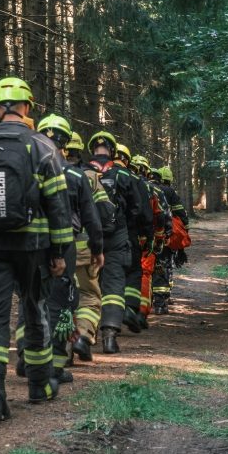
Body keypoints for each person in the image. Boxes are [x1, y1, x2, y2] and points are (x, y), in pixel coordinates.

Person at [0, 78, 72, 422]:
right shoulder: (43, 146)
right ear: (27, 108)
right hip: (32, 246)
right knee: (35, 310)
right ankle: (39, 385)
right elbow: (58, 205)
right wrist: (59, 253)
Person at [14, 115, 103, 384]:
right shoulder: (75, 174)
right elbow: (91, 217)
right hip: (64, 245)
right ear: (65, 143)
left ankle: (25, 355)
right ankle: (53, 365)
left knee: (28, 298)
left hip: (28, 243)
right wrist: (97, 248)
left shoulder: (27, 170)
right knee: (59, 303)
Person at [86, 132, 143, 354]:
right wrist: (120, 223)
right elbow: (136, 208)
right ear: (112, 151)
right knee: (114, 284)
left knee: (86, 285)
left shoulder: (81, 171)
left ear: (92, 149)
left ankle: (85, 335)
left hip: (86, 237)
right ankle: (109, 337)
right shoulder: (124, 174)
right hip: (117, 236)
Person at [66, 134, 115, 361]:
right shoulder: (89, 176)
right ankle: (83, 337)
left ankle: (61, 350)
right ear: (79, 152)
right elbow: (104, 212)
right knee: (88, 296)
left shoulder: (42, 173)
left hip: (51, 250)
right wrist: (98, 245)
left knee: (57, 297)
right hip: (83, 249)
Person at [115, 144, 154, 334]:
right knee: (133, 270)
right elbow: (145, 212)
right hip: (129, 232)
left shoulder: (95, 175)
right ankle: (130, 309)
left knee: (109, 274)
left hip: (98, 234)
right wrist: (148, 237)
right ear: (127, 160)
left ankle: (108, 319)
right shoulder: (135, 180)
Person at [131, 155, 168, 327]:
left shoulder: (120, 181)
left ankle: (120, 312)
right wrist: (159, 238)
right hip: (145, 240)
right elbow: (159, 216)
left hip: (122, 239)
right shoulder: (151, 189)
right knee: (145, 274)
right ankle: (141, 312)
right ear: (145, 170)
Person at [150, 167, 189, 313]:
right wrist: (180, 243)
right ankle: (161, 301)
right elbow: (179, 214)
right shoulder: (169, 192)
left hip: (143, 236)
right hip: (162, 235)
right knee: (163, 265)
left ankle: (146, 299)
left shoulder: (142, 187)